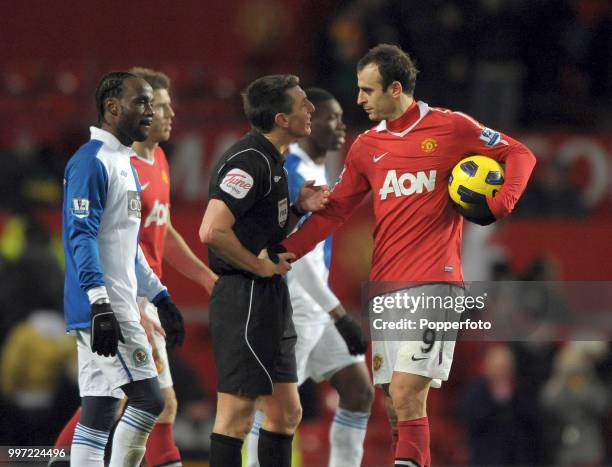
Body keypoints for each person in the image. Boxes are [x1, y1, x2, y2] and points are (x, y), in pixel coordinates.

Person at [281, 44, 536, 467]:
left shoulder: (452, 128)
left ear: (395, 89)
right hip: (386, 288)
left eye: (367, 90)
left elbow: (520, 153)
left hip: (436, 283)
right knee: (395, 406)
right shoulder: (366, 147)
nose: (358, 99)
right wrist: (286, 252)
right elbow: (336, 212)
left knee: (406, 393)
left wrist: (500, 204)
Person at [52, 68, 217, 467]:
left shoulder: (125, 161)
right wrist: (100, 304)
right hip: (109, 307)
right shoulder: (91, 163)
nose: (152, 111)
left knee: (100, 411)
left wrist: (162, 296)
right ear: (112, 107)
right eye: (142, 102)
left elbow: (132, 246)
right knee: (150, 400)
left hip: (120, 301)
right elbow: (81, 237)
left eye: (153, 103)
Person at [198, 74, 329, 467]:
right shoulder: (249, 161)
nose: (311, 109)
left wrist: (298, 210)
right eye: (303, 103)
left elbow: (261, 232)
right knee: (235, 417)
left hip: (268, 296)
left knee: (286, 412)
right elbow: (211, 229)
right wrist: (259, 265)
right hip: (245, 298)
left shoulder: (273, 161)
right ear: (281, 118)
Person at [245, 88, 373, 467]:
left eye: (341, 118)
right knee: (275, 410)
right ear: (308, 123)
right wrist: (339, 314)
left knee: (358, 391)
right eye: (330, 118)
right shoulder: (293, 171)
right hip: (293, 308)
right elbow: (295, 258)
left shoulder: (320, 170)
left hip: (315, 307)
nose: (340, 126)